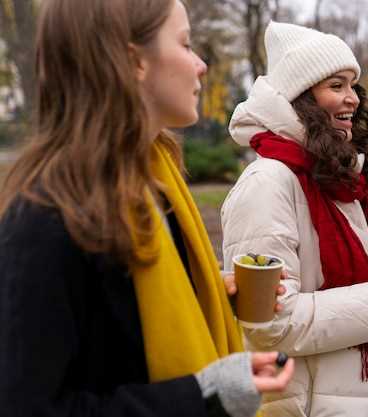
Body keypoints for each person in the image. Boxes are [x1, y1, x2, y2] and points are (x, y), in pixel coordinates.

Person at [0, 1, 293, 417]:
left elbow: (121, 337)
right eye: (186, 44)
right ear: (134, 61)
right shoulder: (46, 217)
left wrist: (208, 295)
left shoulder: (152, 185)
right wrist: (205, 396)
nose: (201, 65)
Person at [221, 21, 368, 417]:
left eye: (353, 86)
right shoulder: (267, 184)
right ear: (301, 99)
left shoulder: (332, 174)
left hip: (358, 396)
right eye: (336, 86)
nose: (352, 98)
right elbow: (267, 324)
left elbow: (347, 274)